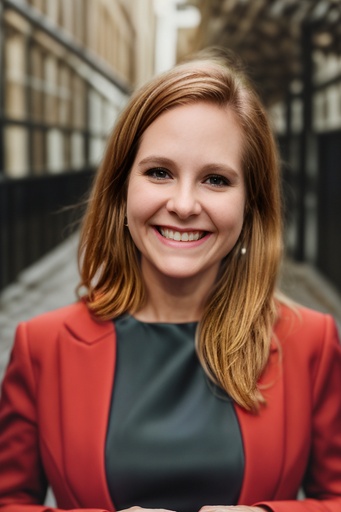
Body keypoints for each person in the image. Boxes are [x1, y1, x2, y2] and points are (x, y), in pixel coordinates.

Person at [0, 48, 340, 512]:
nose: (183, 204)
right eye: (159, 172)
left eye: (216, 180)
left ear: (250, 205)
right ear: (122, 190)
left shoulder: (310, 343)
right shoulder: (42, 346)